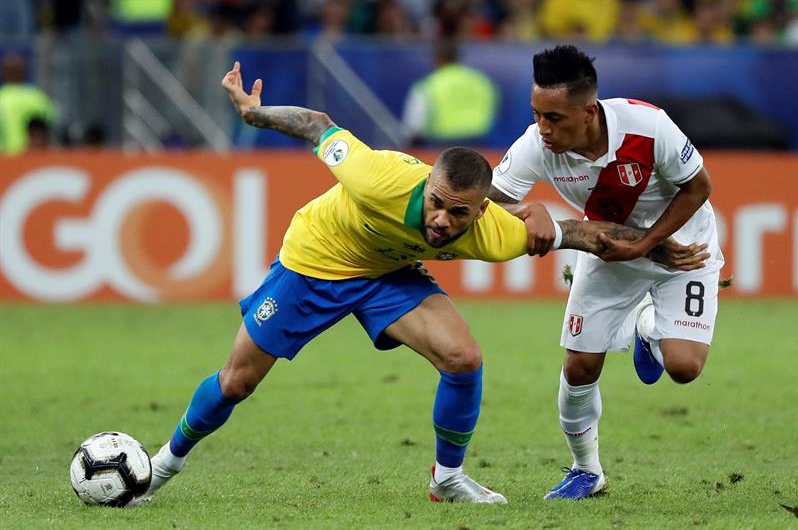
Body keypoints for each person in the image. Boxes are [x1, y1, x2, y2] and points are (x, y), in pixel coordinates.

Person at [134, 61, 708, 507]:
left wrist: (660, 248)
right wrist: (255, 114)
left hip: (389, 275)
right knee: (236, 382)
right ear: (426, 184)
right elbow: (317, 126)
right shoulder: (374, 175)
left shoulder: (494, 234)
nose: (441, 222)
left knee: (463, 357)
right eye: (436, 205)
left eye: (458, 215)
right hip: (317, 261)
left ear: (481, 213)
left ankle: (449, 479)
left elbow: (582, 234)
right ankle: (162, 465)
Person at [488, 45, 724, 500]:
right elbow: (486, 198)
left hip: (682, 246)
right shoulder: (536, 145)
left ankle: (648, 327)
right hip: (609, 250)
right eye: (537, 114)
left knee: (684, 368)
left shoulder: (648, 127)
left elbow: (699, 187)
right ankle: (586, 470)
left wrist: (650, 243)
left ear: (589, 112)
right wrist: (525, 209)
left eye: (555, 117)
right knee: (579, 366)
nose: (544, 128)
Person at [402, 40, 499, 146]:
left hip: (441, 145)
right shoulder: (480, 81)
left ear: (436, 58)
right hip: (478, 143)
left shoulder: (429, 85)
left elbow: (415, 123)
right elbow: (492, 105)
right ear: (457, 57)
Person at [0, 52, 58, 155]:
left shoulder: (2, 98)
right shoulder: (36, 97)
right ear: (23, 73)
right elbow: (53, 123)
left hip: (4, 160)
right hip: (31, 157)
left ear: (3, 73)